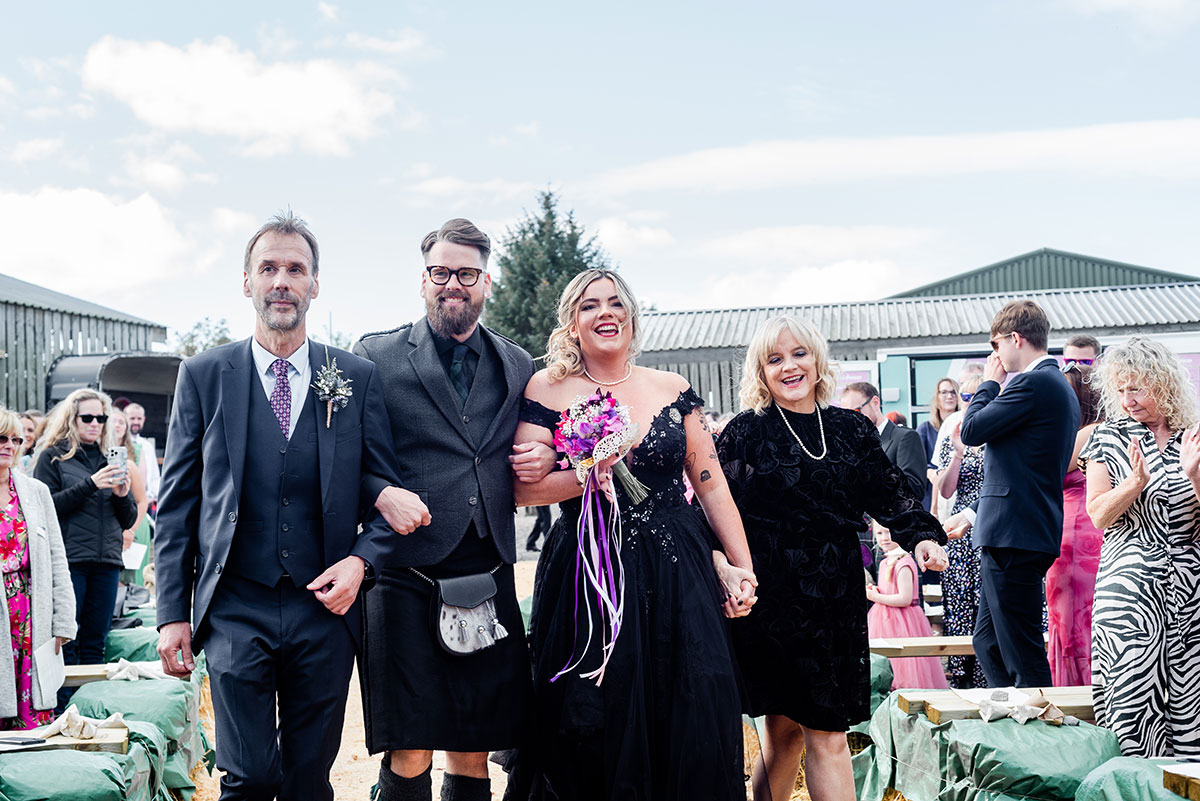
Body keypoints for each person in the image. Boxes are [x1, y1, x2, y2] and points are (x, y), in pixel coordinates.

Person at [154, 211, 400, 800]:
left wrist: (362, 562)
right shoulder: (204, 374)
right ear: (247, 282)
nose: (282, 281)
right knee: (250, 776)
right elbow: (178, 502)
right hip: (237, 605)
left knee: (309, 778)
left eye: (296, 269)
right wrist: (171, 613)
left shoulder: (355, 376)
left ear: (316, 284)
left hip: (326, 609)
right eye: (269, 268)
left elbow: (385, 491)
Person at [506, 268, 755, 801]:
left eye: (615, 303)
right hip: (589, 576)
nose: (605, 313)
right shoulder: (546, 388)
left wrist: (741, 567)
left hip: (679, 572)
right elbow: (523, 492)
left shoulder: (672, 388)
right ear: (572, 323)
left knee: (690, 704)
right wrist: (586, 474)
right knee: (594, 714)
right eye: (589, 305)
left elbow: (710, 486)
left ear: (632, 317)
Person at [354, 218, 555, 801]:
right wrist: (379, 491)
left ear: (486, 282)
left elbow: (539, 442)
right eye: (441, 273)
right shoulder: (374, 356)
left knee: (474, 743)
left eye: (466, 274)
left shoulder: (519, 366)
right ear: (423, 281)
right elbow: (341, 456)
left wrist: (543, 464)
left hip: (488, 570)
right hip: (403, 570)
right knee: (410, 744)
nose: (453, 285)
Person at [717, 315, 947, 801]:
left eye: (798, 354)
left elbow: (890, 495)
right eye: (775, 359)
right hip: (772, 600)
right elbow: (716, 514)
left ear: (818, 359)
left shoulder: (849, 429)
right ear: (761, 371)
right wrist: (724, 568)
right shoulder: (744, 433)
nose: (789, 367)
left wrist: (922, 536)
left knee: (827, 733)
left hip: (834, 597)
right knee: (783, 735)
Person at [1082, 337, 1200, 757]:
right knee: (1131, 695)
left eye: (1137, 388)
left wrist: (1194, 474)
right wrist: (1134, 484)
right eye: (1120, 389)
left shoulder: (1194, 436)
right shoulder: (1108, 438)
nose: (1127, 400)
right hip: (1130, 590)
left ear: (1163, 384)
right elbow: (1097, 515)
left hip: (1189, 592)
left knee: (1191, 699)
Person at [954, 300, 1080, 688]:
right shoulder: (1052, 384)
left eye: (996, 346)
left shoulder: (1033, 382)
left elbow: (971, 430)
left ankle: (1040, 735)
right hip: (1018, 529)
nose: (995, 355)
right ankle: (1010, 723)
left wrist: (988, 384)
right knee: (989, 642)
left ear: (1015, 338)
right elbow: (1019, 467)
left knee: (1020, 648)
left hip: (1016, 534)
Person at [31, 389, 136, 682]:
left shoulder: (109, 458)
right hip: (69, 561)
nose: (95, 424)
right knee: (66, 639)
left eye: (101, 418)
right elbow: (44, 508)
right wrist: (90, 484)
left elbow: (127, 520)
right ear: (71, 419)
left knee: (96, 641)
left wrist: (122, 495)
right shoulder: (53, 457)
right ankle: (62, 709)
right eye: (87, 417)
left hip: (107, 561)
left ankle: (89, 712)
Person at [0, 408, 75, 730]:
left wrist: (63, 619)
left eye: (16, 439)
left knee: (32, 712)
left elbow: (57, 557)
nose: (10, 445)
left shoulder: (35, 492)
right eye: (2, 437)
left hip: (32, 613)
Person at [1045, 361, 1104, 687]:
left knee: (1070, 627)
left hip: (1074, 538)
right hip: (1095, 534)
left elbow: (1046, 472)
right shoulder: (1108, 431)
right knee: (1087, 623)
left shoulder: (1085, 434)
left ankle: (1076, 693)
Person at [934, 375, 987, 688]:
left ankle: (986, 672)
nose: (967, 401)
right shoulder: (954, 432)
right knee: (959, 604)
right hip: (959, 528)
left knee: (985, 603)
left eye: (973, 395)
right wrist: (957, 452)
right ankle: (961, 674)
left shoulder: (997, 434)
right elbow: (945, 490)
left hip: (988, 524)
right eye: (964, 396)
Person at [866, 523, 948, 690]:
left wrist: (876, 597)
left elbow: (905, 598)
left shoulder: (903, 562)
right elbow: (890, 590)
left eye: (888, 532)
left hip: (903, 623)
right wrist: (877, 590)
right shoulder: (885, 562)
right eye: (879, 533)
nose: (884, 538)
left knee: (906, 665)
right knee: (887, 662)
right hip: (884, 622)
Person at [842, 382, 927, 502]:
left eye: (856, 411)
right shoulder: (851, 446)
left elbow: (913, 490)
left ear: (875, 402)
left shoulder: (905, 437)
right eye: (846, 415)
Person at [109, 409, 151, 587]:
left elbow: (143, 497)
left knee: (131, 580)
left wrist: (130, 530)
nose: (117, 425)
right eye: (113, 421)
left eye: (121, 422)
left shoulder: (135, 456)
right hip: (110, 523)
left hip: (133, 520)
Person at [122, 403, 160, 505]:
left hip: (148, 502)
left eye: (139, 419)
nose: (136, 422)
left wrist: (154, 496)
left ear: (144, 419)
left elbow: (155, 475)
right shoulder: (119, 444)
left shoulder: (147, 446)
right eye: (132, 418)